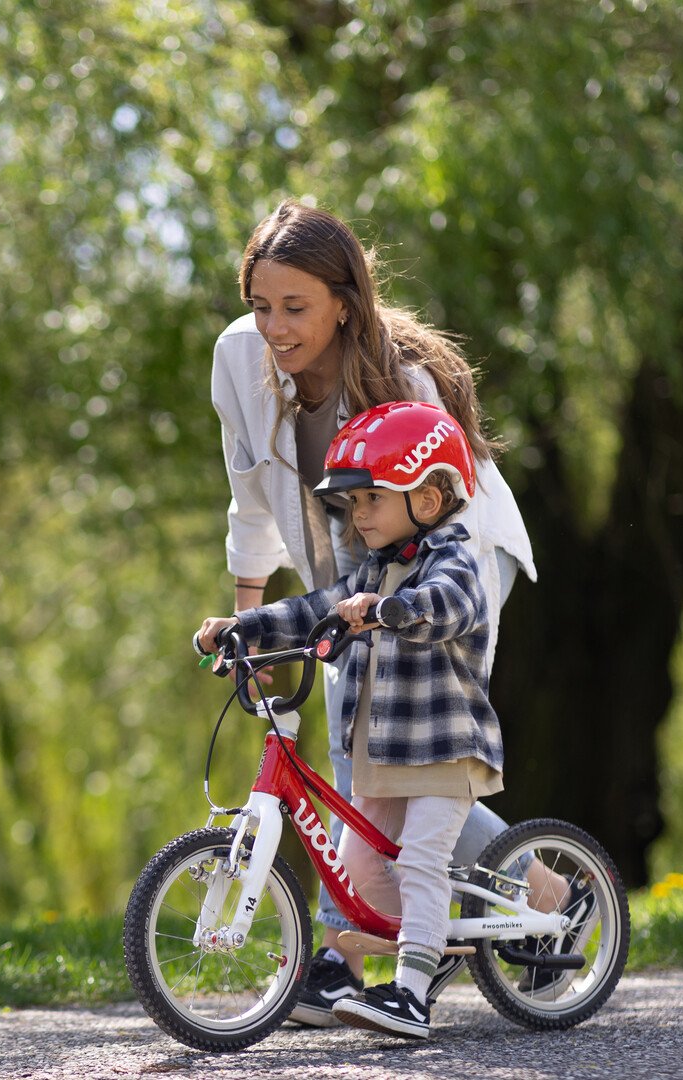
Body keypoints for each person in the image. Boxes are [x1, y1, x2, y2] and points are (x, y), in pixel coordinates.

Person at [210, 199, 542, 1022]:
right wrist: (251, 623)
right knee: (382, 764)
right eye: (261, 305)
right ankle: (540, 895)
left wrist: (402, 612)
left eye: (296, 308)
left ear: (344, 303)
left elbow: (451, 537)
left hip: (453, 561)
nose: (275, 328)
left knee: (391, 749)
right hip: (346, 570)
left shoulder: (409, 382)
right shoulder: (238, 359)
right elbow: (249, 497)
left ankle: (340, 958)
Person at [197, 401, 506, 1039]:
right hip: (386, 755)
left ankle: (412, 993)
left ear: (427, 496)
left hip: (444, 750)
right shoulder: (372, 569)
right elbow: (316, 606)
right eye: (353, 502)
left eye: (371, 499)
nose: (357, 514)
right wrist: (243, 626)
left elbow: (447, 608)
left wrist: (386, 610)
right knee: (359, 868)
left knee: (420, 860)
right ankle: (429, 948)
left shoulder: (453, 559)